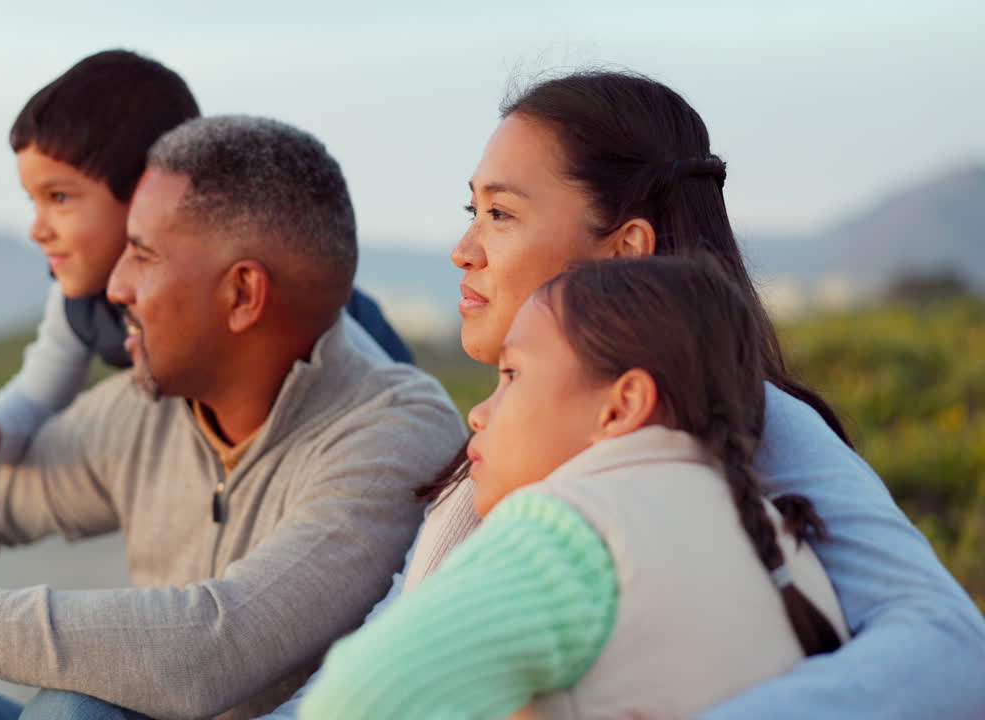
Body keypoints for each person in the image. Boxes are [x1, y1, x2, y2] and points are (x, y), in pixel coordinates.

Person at [267, 71, 985, 718]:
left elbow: (951, 646)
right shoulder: (518, 438)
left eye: (501, 214)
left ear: (623, 252)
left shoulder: (750, 421)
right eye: (472, 209)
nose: (464, 248)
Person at [0, 115, 465, 720]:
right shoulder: (152, 406)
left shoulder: (394, 433)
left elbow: (214, 645)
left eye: (144, 255)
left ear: (243, 294)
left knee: (77, 710)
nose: (114, 285)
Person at [302, 256, 850, 718]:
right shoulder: (781, 539)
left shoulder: (573, 529)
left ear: (623, 405)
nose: (479, 413)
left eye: (512, 375)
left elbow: (353, 699)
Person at [0, 49, 412, 466]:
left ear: (150, 188)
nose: (37, 229)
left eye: (61, 198)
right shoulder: (80, 305)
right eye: (33, 200)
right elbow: (36, 397)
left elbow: (391, 405)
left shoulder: (274, 298)